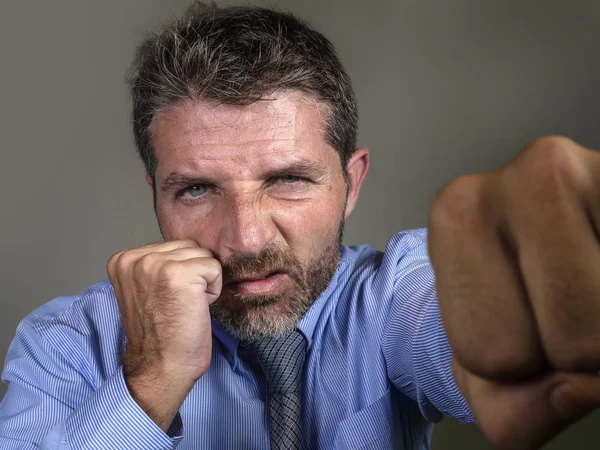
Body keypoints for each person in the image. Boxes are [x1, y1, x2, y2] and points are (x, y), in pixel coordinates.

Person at [1, 2, 600, 449]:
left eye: (288, 179)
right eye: (197, 189)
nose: (247, 238)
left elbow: (459, 323)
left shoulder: (394, 299)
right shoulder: (64, 345)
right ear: (155, 195)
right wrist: (150, 384)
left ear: (352, 182)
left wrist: (533, 301)